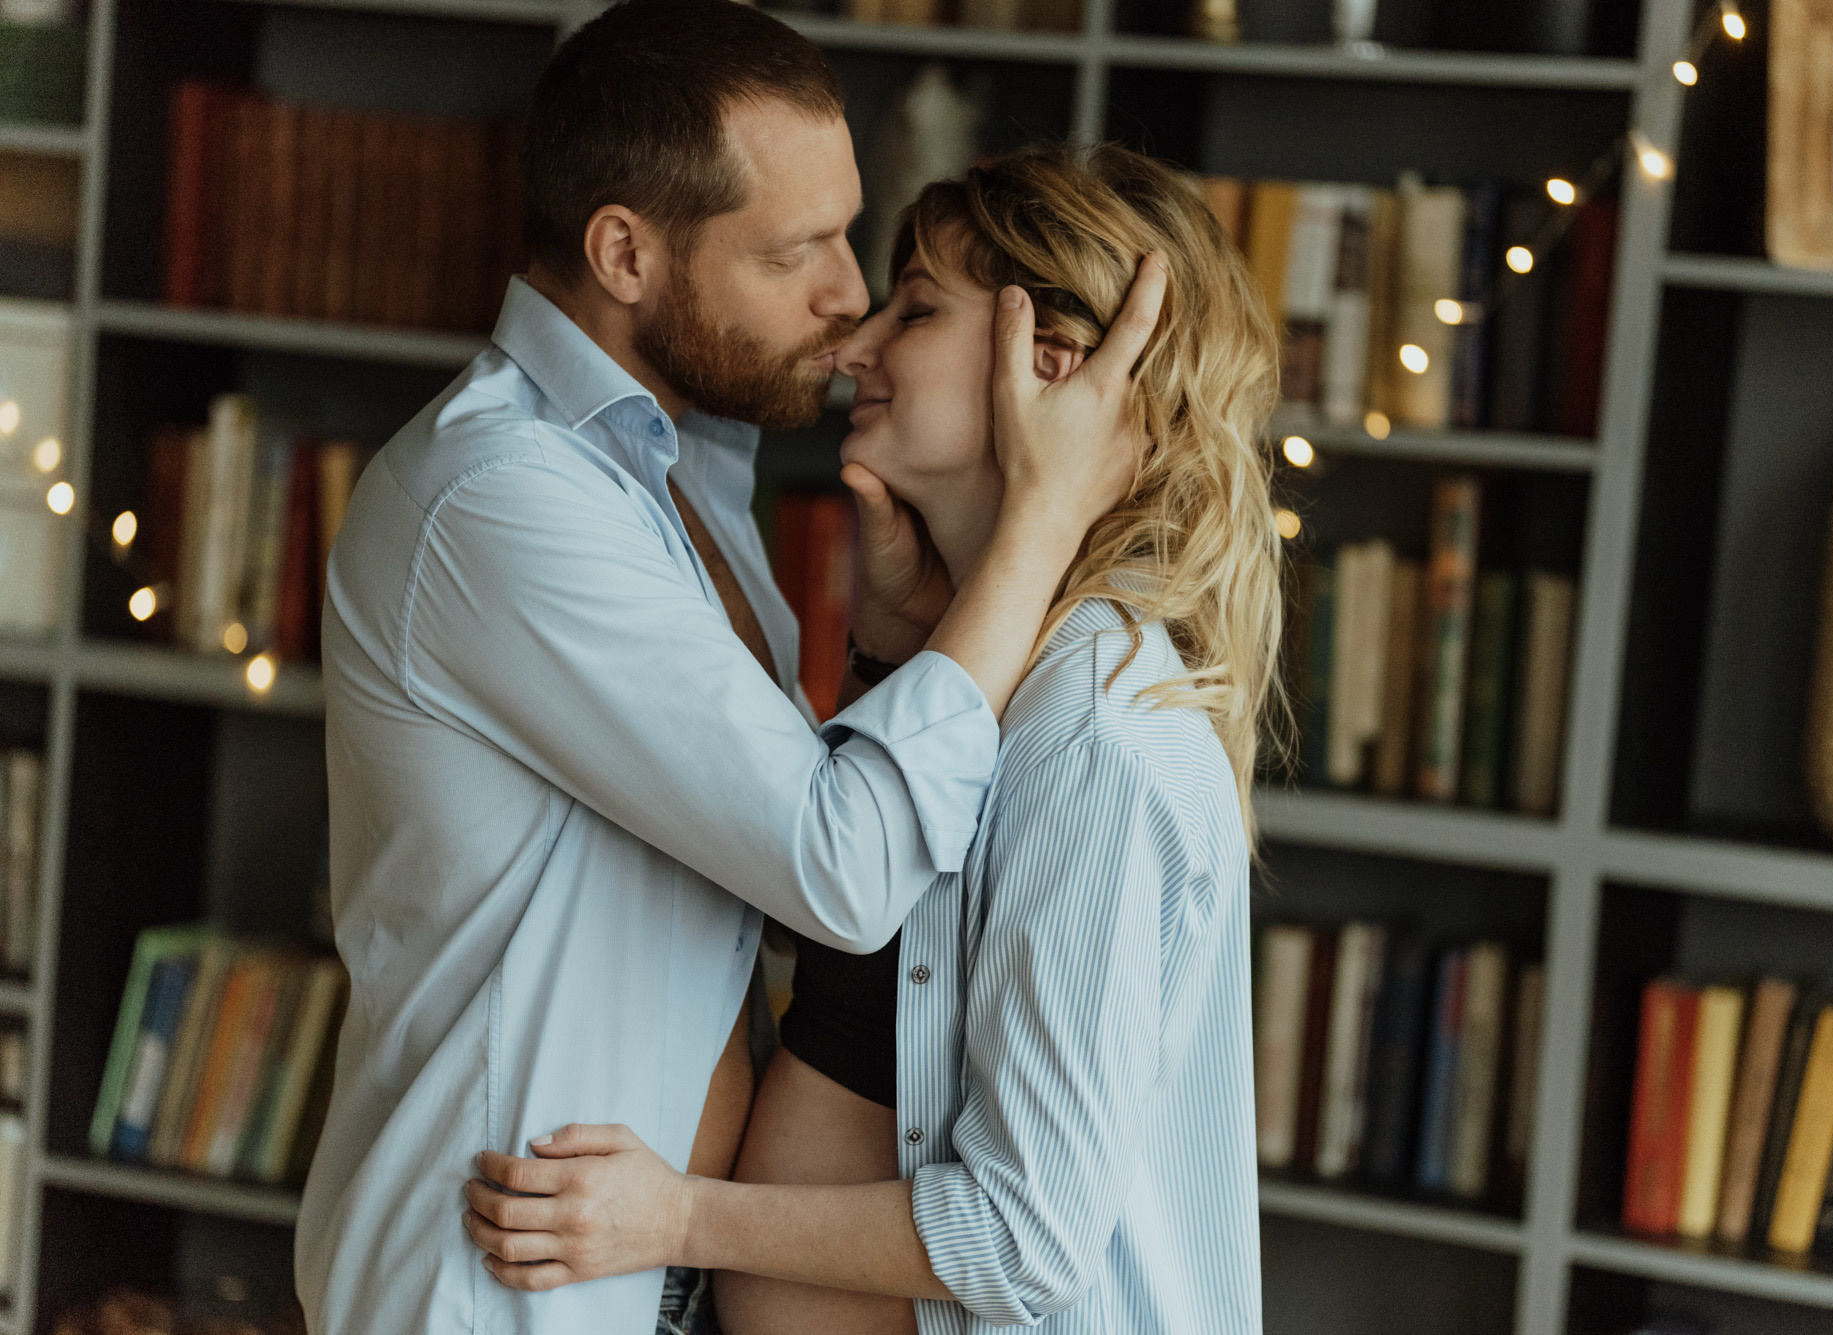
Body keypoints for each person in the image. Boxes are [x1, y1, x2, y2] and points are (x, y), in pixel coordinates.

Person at [293, 3, 1163, 1332]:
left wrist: (882, 648)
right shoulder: (503, 498)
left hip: (639, 1273)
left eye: (848, 234)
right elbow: (845, 866)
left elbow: (771, 856)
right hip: (504, 1283)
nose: (847, 295)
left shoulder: (685, 472)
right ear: (625, 251)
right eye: (794, 250)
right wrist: (1038, 526)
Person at [460, 141, 1284, 1334]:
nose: (854, 345)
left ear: (1051, 368)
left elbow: (1023, 1237)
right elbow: (841, 917)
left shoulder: (1093, 731)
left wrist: (678, 1218)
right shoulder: (993, 672)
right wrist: (895, 651)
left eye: (915, 310)